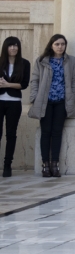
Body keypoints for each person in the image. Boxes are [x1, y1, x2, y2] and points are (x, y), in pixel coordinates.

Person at [29, 34, 75, 178]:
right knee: (46, 133)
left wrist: (73, 97)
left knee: (57, 132)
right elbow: (35, 80)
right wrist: (34, 97)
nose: (60, 47)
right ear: (51, 45)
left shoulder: (71, 61)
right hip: (45, 101)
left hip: (61, 101)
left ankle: (55, 164)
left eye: (62, 44)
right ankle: (45, 165)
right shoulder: (42, 61)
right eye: (57, 44)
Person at [0, 37, 30, 177]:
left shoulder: (24, 64)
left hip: (14, 102)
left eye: (16, 45)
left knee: (11, 134)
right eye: (10, 46)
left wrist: (8, 85)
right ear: (5, 48)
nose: (13, 48)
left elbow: (24, 85)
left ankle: (7, 166)